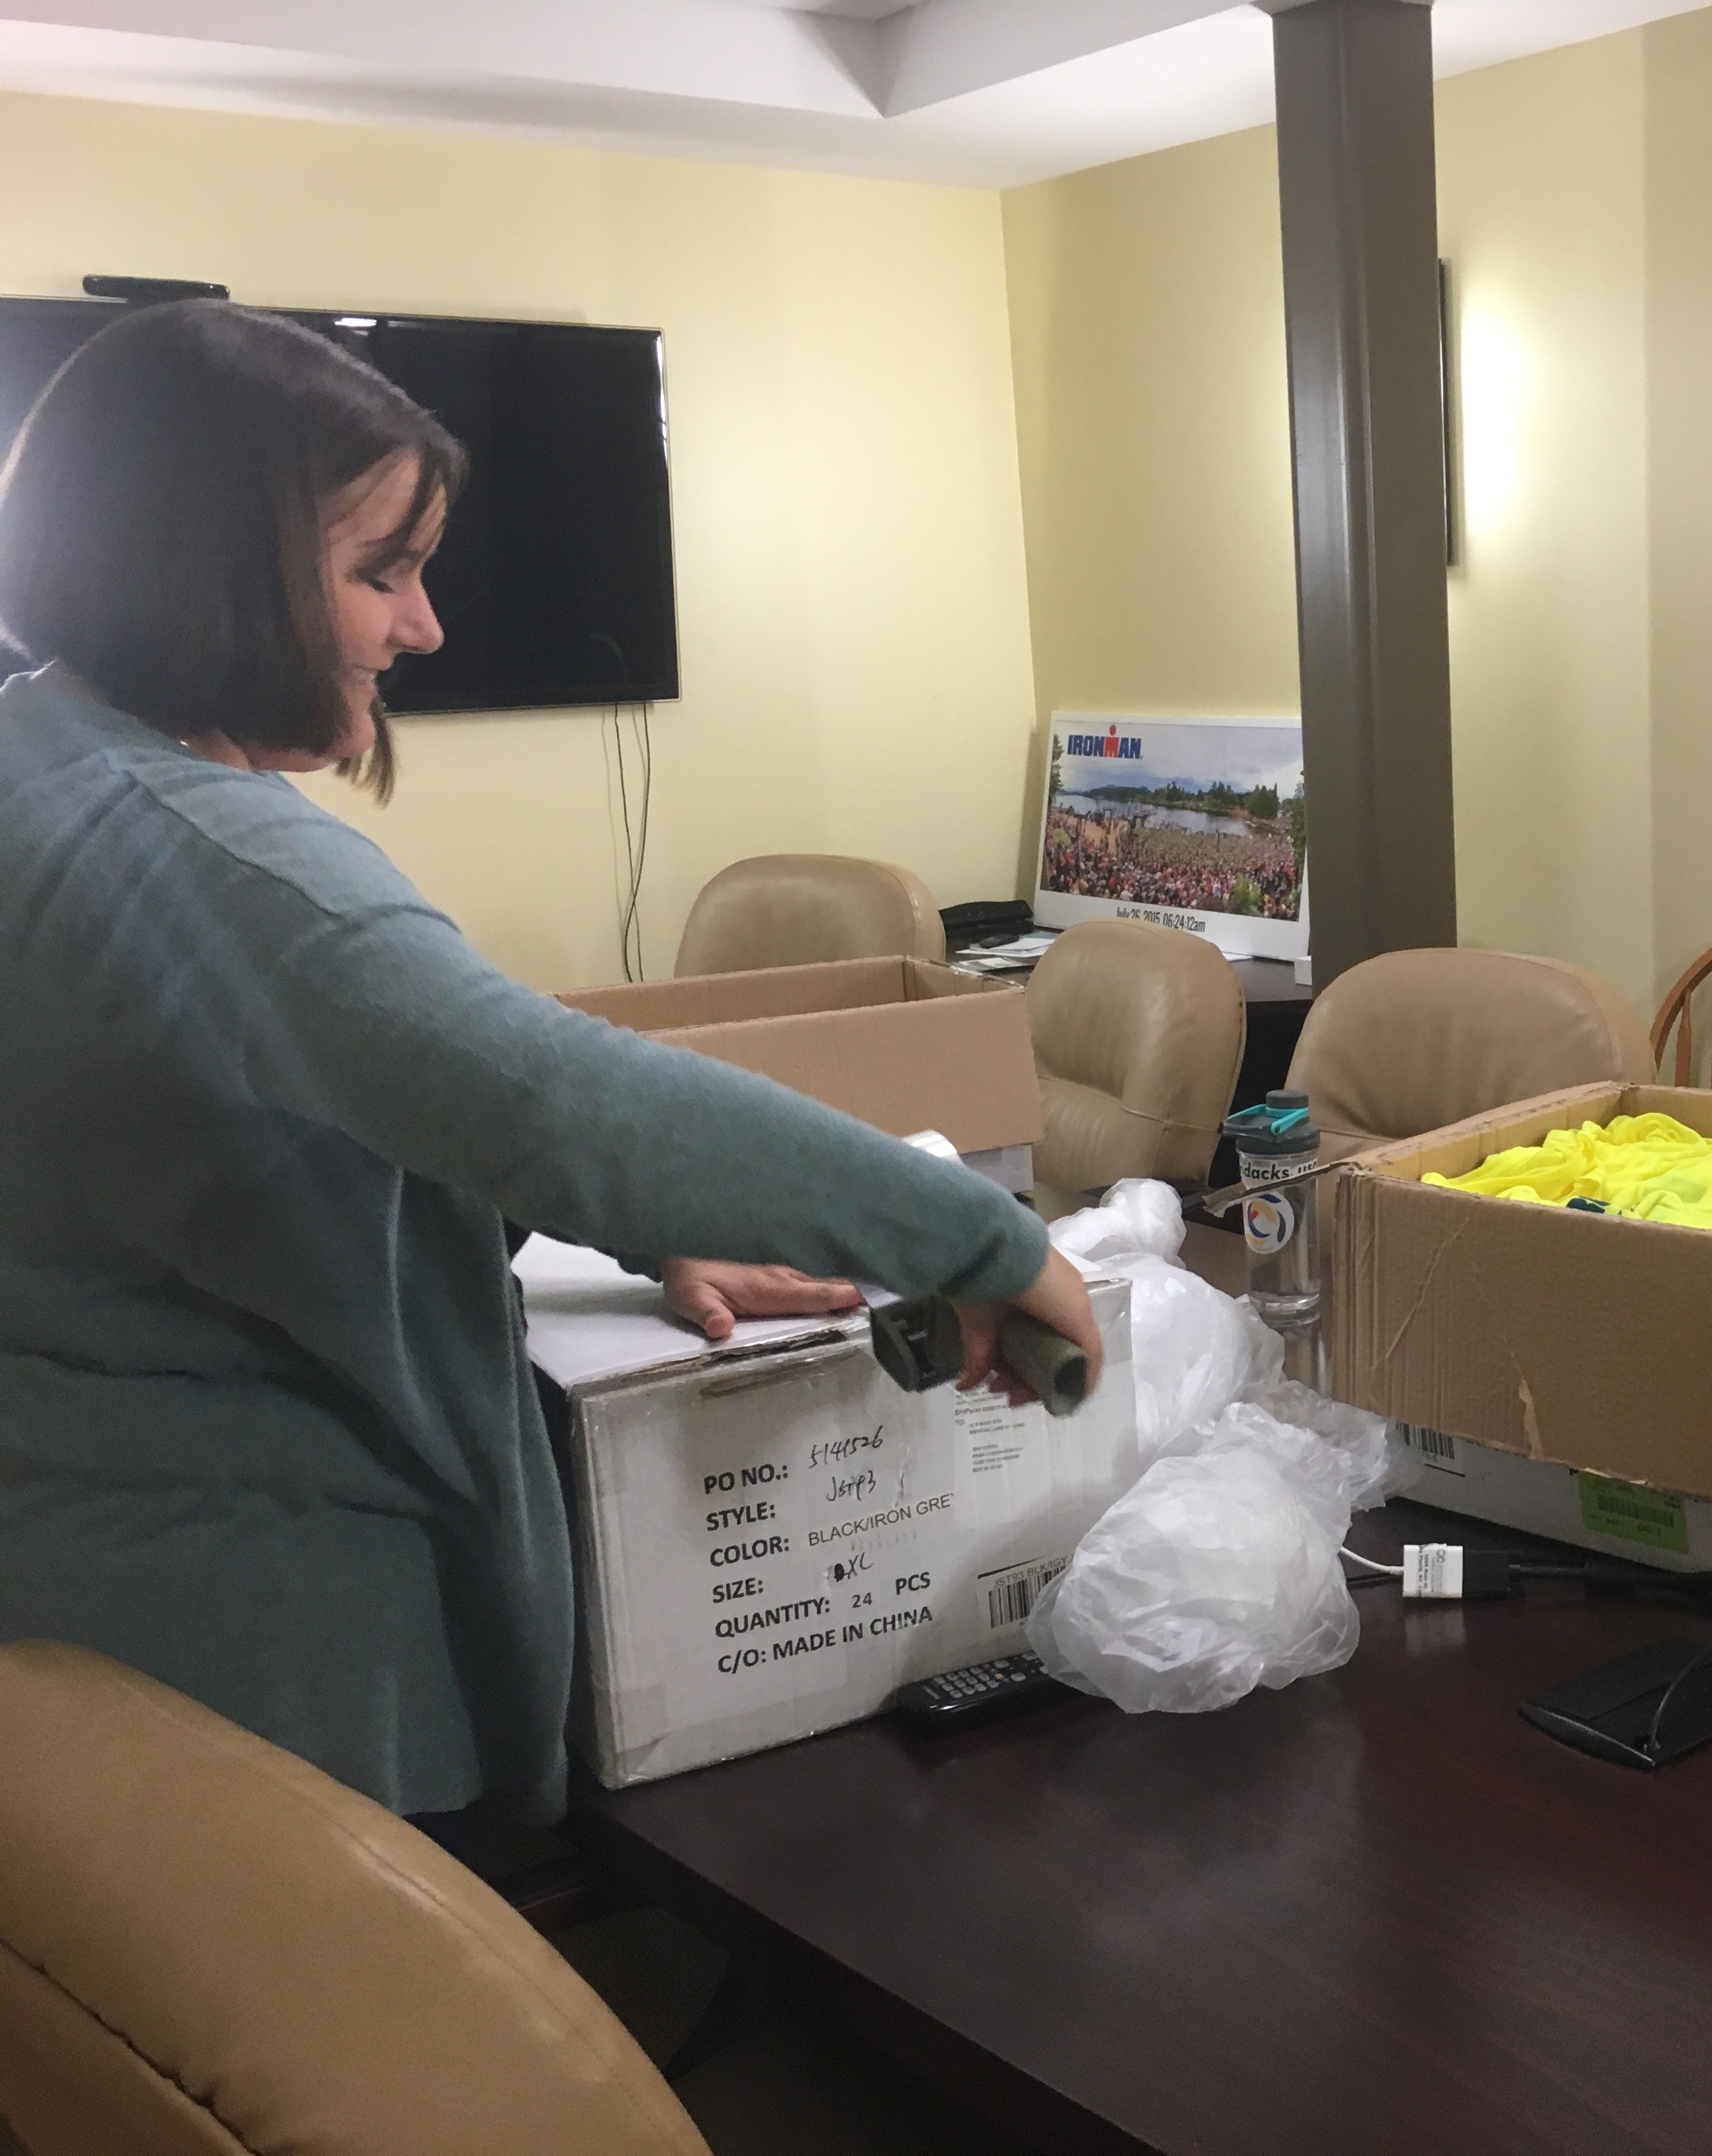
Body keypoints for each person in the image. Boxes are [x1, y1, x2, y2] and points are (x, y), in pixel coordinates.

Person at [0, 299, 1100, 1822]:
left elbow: (260, 1138)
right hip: (270, 1677)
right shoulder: (199, 852)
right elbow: (536, 1092)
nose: (424, 626)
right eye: (379, 571)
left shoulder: (35, 776)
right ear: (210, 568)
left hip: (80, 1628)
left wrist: (654, 1218)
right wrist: (979, 1240)